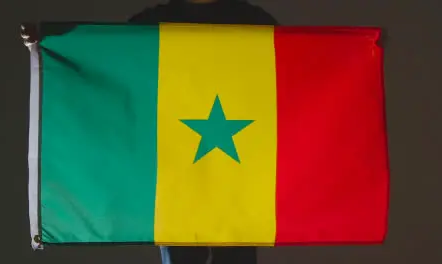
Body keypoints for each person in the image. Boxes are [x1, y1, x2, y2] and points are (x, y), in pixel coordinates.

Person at [21, 0, 277, 263]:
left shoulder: (250, 17)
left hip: (237, 167)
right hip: (175, 169)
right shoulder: (156, 18)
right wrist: (46, 45)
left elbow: (283, 69)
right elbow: (104, 56)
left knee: (236, 256)